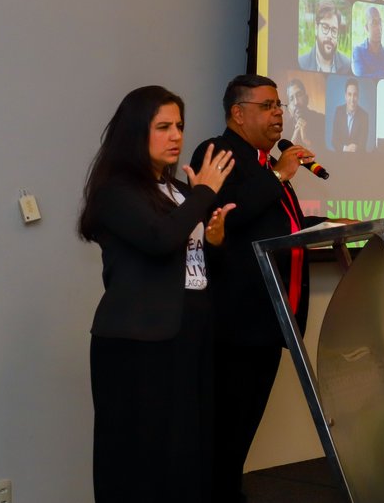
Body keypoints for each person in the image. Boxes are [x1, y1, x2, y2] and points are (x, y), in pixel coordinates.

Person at [80, 85, 235, 503]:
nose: (176, 136)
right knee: (140, 460)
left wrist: (215, 240)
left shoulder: (179, 192)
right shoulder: (116, 192)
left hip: (189, 337)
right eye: (163, 126)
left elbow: (194, 269)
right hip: (138, 344)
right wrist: (206, 192)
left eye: (180, 126)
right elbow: (158, 239)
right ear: (136, 133)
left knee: (188, 453)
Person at [189, 75, 324, 503]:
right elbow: (227, 216)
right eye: (267, 106)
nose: (279, 112)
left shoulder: (265, 163)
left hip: (268, 321)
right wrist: (282, 175)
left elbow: (276, 228)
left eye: (279, 104)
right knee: (224, 437)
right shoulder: (219, 153)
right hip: (236, 326)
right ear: (238, 113)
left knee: (238, 438)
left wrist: (328, 228)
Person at [298, 0, 352, 74]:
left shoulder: (348, 66)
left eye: (334, 30)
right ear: (316, 28)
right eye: (325, 27)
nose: (329, 35)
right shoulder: (301, 64)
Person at [352, 6, 384, 78]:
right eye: (374, 23)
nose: (379, 27)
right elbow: (361, 77)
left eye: (380, 22)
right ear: (367, 28)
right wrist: (383, 74)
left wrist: (371, 75)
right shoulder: (358, 51)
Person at [331, 77, 369, 152]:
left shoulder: (364, 116)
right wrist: (345, 148)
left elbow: (362, 145)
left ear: (358, 97)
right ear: (345, 96)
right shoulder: (338, 111)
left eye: (355, 95)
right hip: (340, 157)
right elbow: (334, 140)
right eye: (349, 94)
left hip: (357, 158)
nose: (352, 99)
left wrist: (356, 148)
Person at [286, 77, 325, 148]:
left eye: (298, 95)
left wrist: (306, 140)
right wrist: (292, 142)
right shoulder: (285, 128)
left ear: (306, 98)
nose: (296, 102)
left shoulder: (322, 120)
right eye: (291, 99)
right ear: (289, 107)